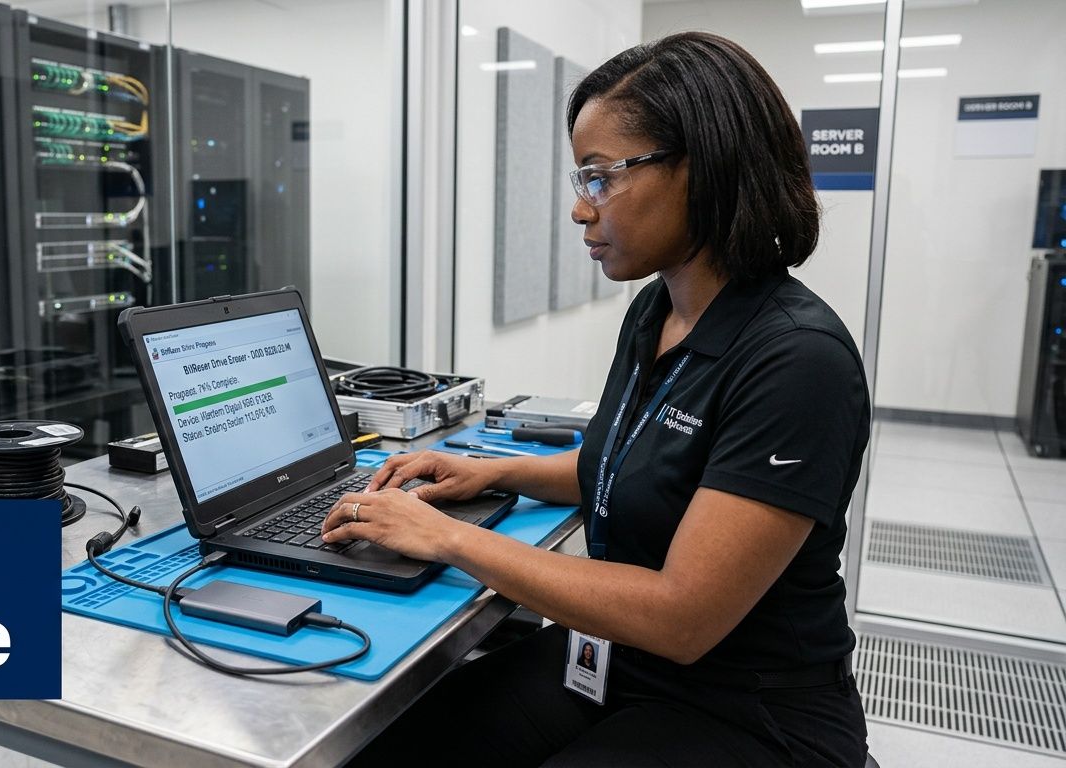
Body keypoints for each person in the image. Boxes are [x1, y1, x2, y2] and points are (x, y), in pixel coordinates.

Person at [324, 31, 870, 768]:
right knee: (390, 745)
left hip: (747, 710)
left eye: (600, 177)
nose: (582, 210)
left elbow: (683, 617)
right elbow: (631, 465)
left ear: (703, 167)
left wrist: (448, 538)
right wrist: (493, 472)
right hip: (621, 662)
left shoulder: (798, 359)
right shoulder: (656, 311)